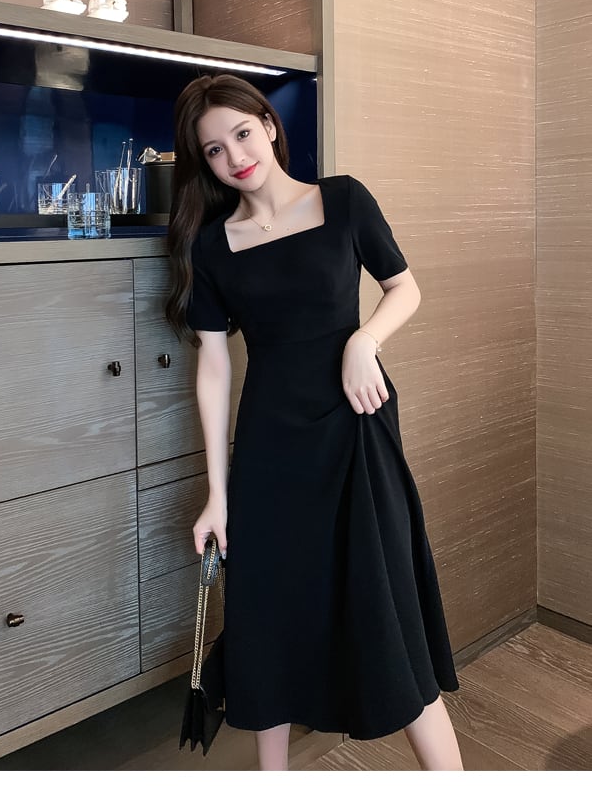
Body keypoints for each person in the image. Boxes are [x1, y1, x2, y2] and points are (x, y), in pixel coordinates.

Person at [165, 73, 464, 772]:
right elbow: (214, 366)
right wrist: (218, 494)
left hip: (358, 430)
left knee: (385, 605)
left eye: (242, 133)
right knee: (267, 616)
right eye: (214, 150)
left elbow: (404, 287)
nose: (235, 156)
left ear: (269, 125)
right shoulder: (211, 245)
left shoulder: (344, 199)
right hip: (270, 448)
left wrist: (364, 340)